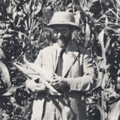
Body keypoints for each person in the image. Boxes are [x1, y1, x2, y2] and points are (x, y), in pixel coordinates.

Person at [26, 11, 96, 120]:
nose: (59, 35)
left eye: (63, 30)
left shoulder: (83, 54)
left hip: (71, 111)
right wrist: (32, 86)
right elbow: (30, 78)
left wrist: (67, 82)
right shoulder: (44, 53)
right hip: (45, 111)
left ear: (72, 31)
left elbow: (91, 80)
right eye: (56, 31)